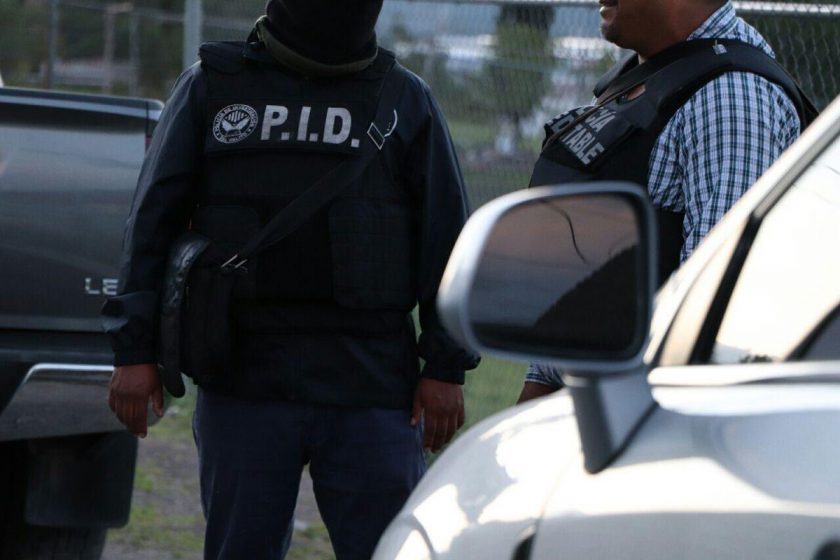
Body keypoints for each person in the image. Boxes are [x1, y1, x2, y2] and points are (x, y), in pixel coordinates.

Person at [102, 1, 480, 558]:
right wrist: (133, 353)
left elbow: (448, 243)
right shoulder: (212, 85)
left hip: (371, 385)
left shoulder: (404, 97)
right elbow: (151, 225)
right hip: (243, 379)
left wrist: (446, 366)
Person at [518, 0, 816, 403]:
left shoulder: (730, 96)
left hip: (648, 412)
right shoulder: (646, 74)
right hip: (593, 401)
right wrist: (540, 381)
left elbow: (713, 315)